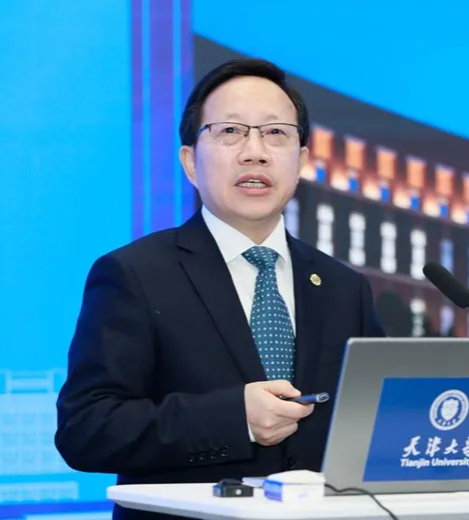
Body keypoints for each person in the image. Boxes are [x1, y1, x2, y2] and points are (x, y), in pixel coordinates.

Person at [55, 58, 386, 519]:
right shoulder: (135, 274)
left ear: (302, 161)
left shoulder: (343, 287)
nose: (255, 152)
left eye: (276, 133)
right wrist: (235, 419)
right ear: (190, 162)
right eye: (230, 131)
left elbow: (377, 423)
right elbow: (86, 428)